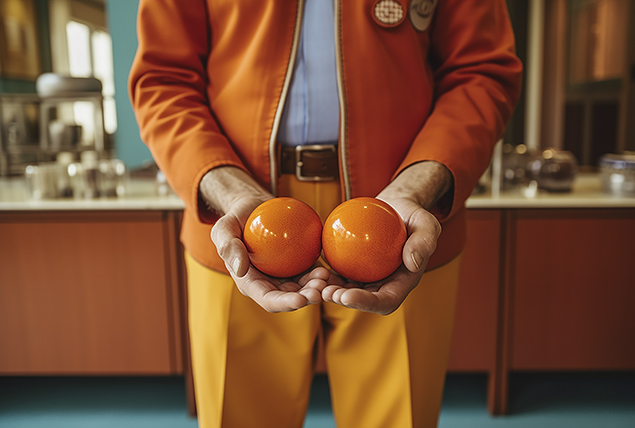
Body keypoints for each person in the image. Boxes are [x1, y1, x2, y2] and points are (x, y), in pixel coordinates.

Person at [129, 0, 522, 427]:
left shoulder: (401, 217)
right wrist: (226, 188)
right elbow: (162, 80)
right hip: (244, 216)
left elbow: (482, 74)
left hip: (396, 218)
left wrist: (417, 186)